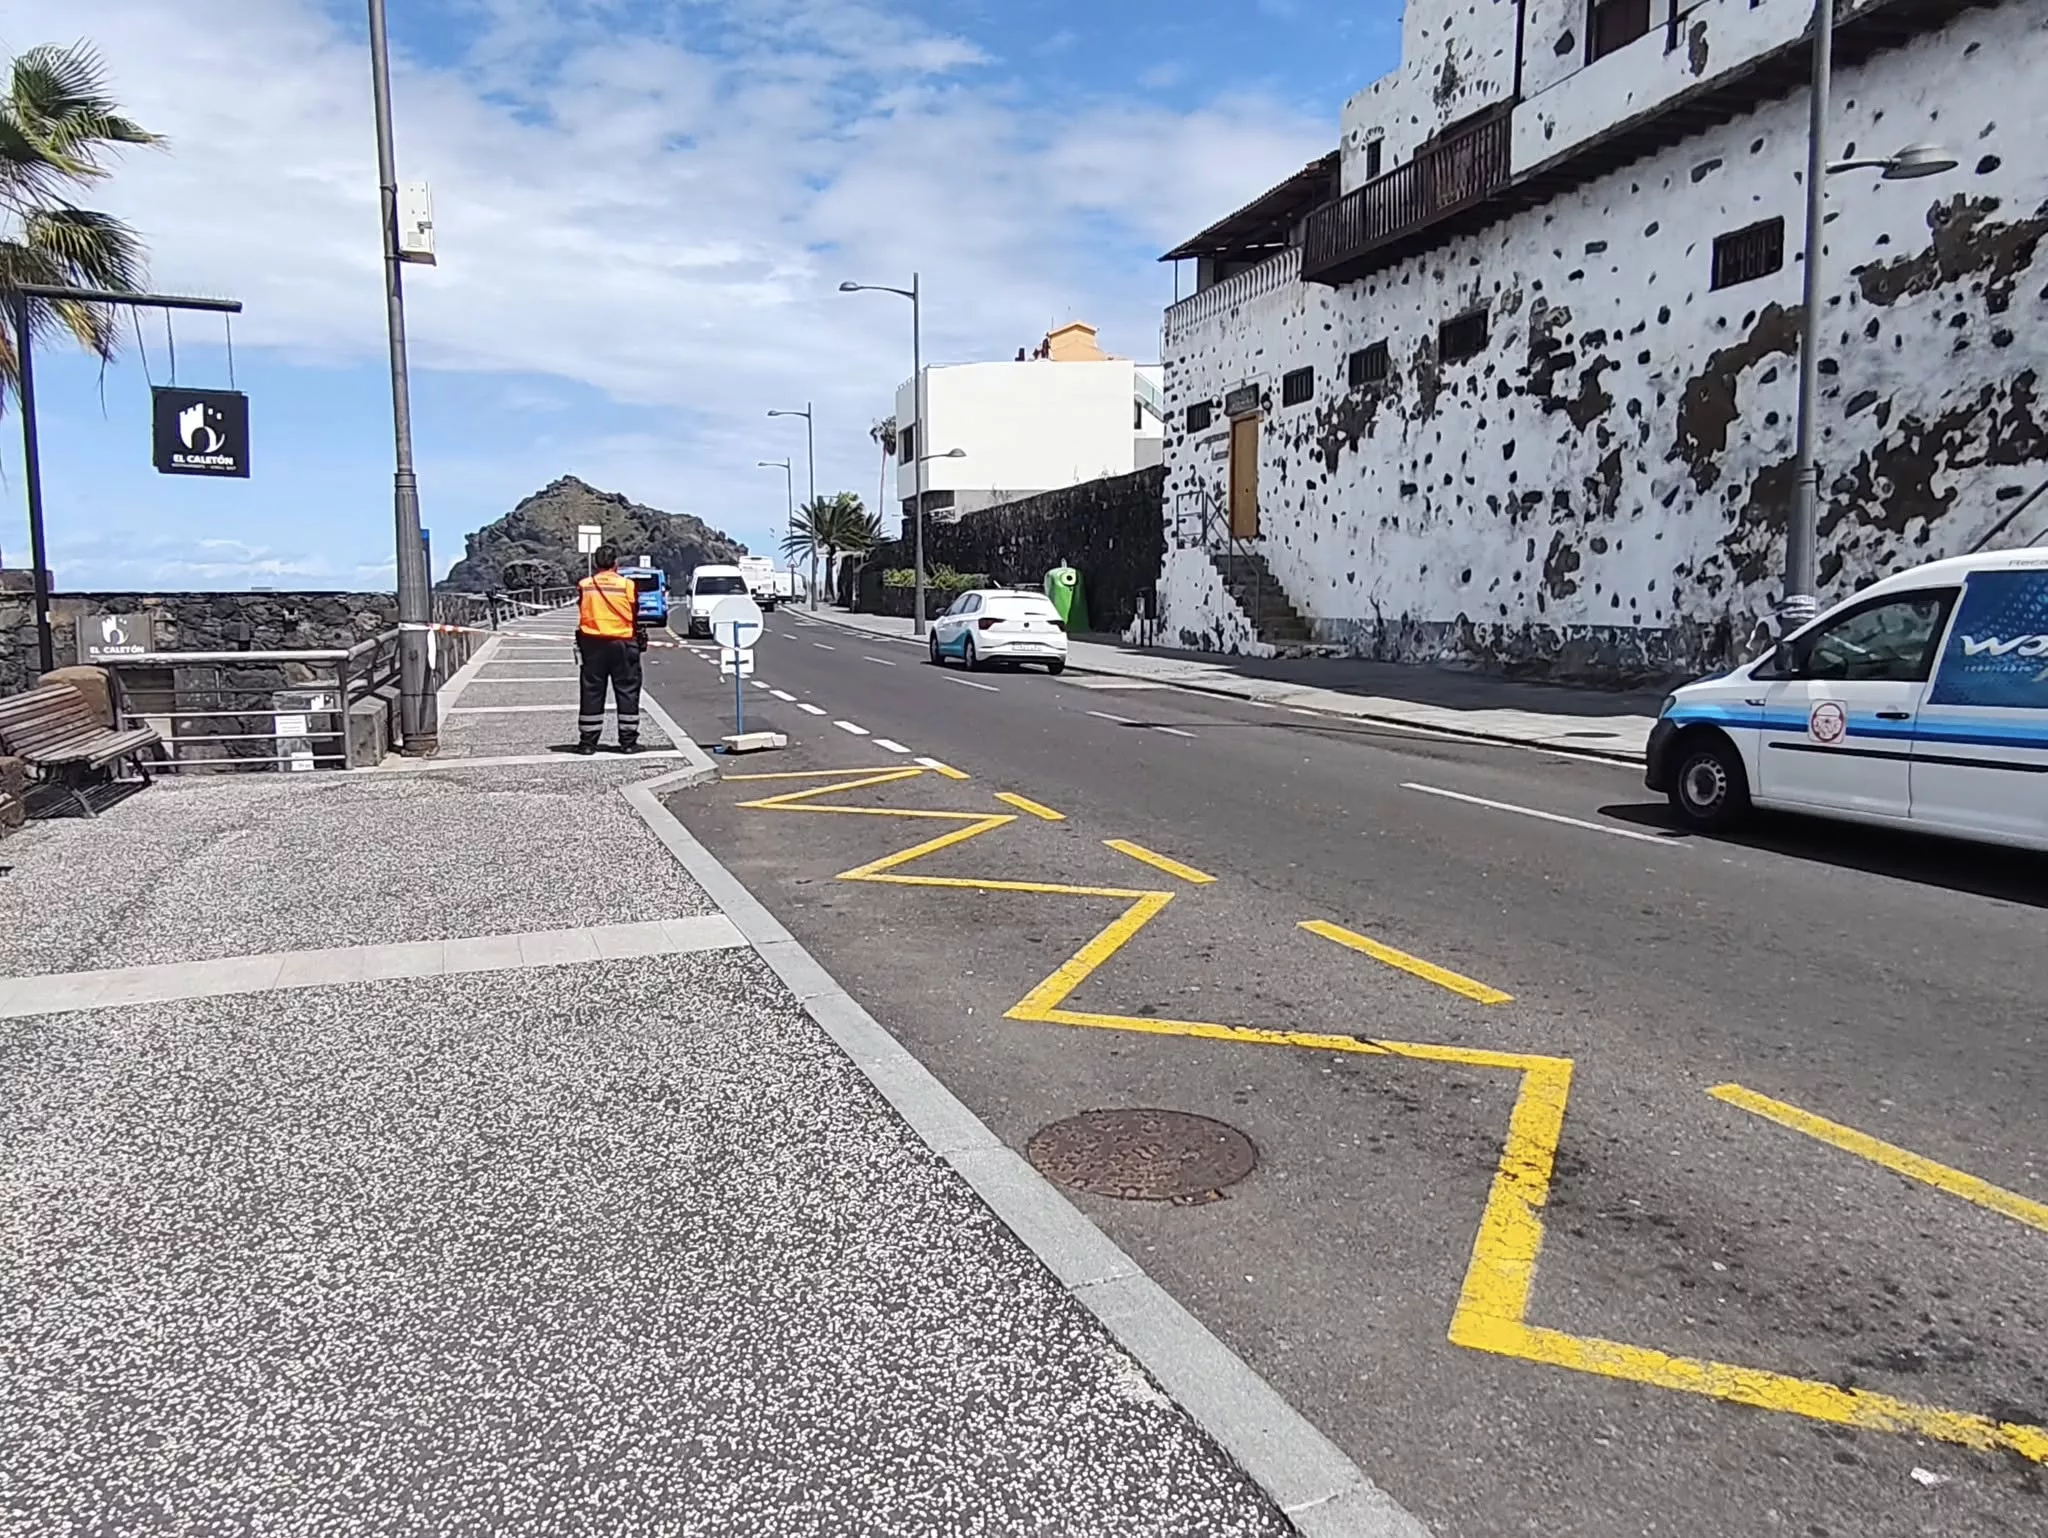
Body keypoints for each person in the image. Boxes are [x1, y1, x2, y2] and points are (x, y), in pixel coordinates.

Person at [574, 543, 645, 754]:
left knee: (592, 691)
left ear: (596, 563)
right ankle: (628, 742)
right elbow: (635, 612)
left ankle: (588, 743)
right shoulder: (627, 585)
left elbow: (581, 607)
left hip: (592, 643)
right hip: (622, 642)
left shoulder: (585, 585)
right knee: (627, 690)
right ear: (616, 563)